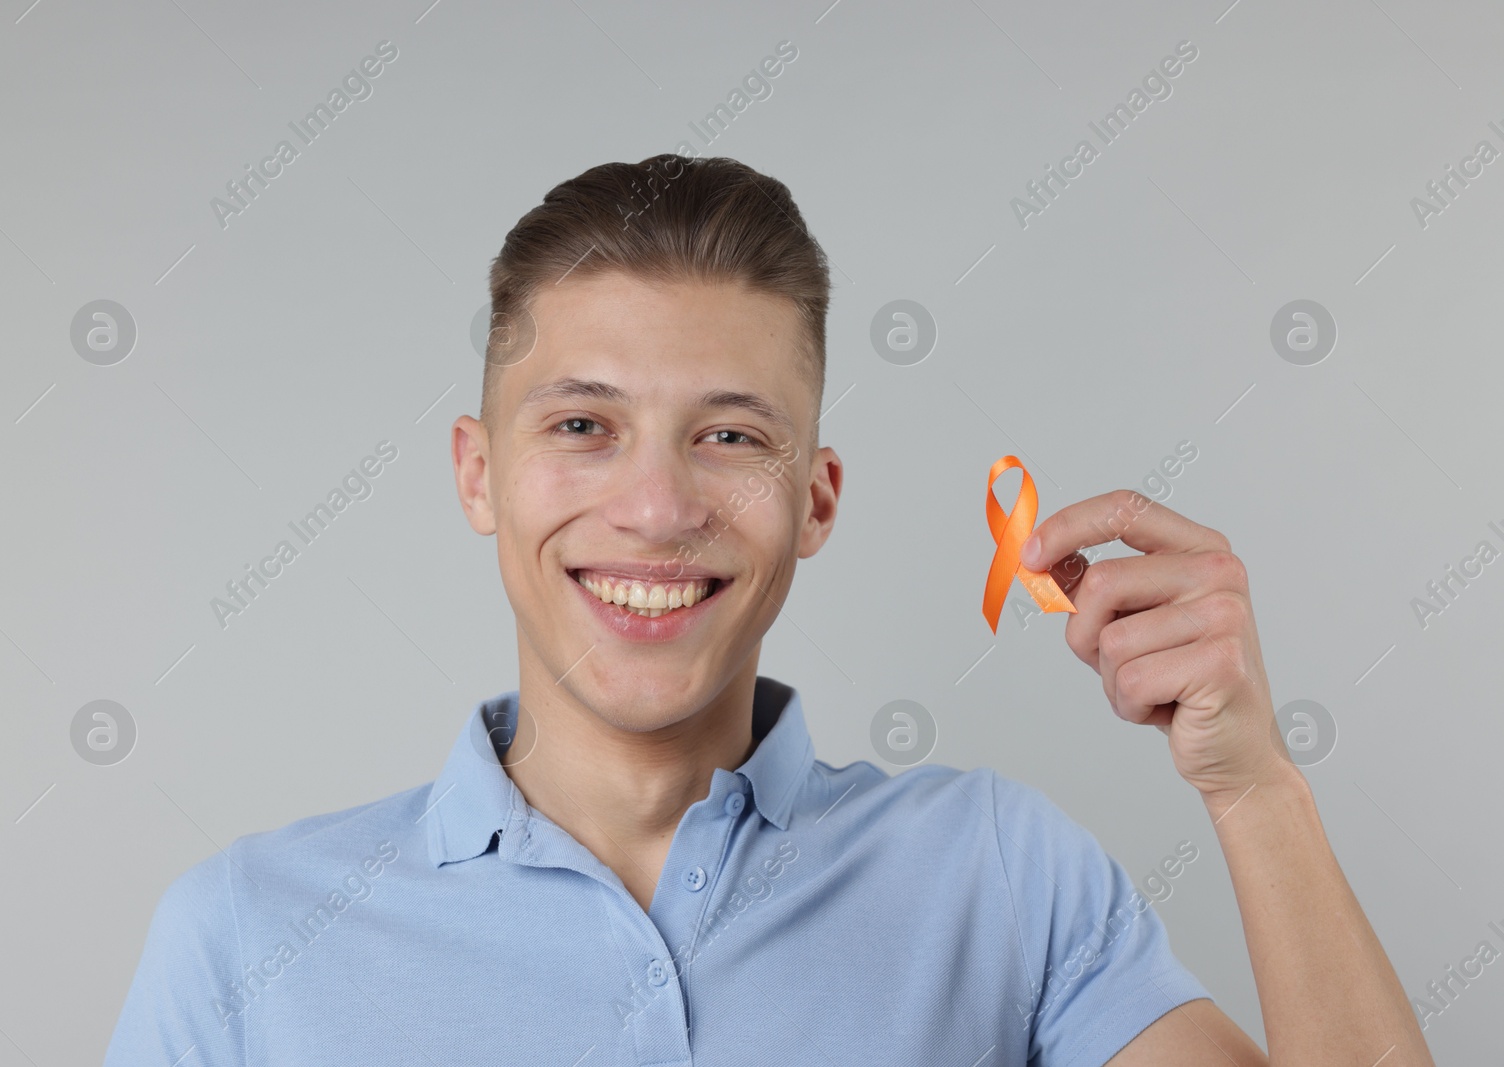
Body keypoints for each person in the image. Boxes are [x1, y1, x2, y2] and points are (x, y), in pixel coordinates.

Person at [104, 154, 1434, 1066]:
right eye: (583, 425)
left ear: (817, 499)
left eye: (731, 437)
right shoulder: (245, 939)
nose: (656, 505)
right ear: (478, 474)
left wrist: (1255, 789)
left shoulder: (999, 875)